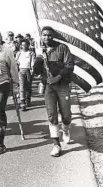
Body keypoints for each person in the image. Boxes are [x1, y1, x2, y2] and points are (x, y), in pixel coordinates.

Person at [33, 26, 74, 157]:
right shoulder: (39, 50)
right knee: (52, 115)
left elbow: (70, 65)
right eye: (44, 35)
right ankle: (56, 144)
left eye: (49, 35)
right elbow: (36, 72)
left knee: (66, 114)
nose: (47, 38)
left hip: (62, 85)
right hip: (49, 87)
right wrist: (38, 61)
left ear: (53, 36)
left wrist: (57, 77)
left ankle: (66, 129)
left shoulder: (62, 48)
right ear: (41, 36)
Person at [16, 39, 36, 111]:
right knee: (21, 86)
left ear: (28, 45)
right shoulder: (19, 53)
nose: (24, 46)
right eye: (23, 45)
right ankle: (22, 102)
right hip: (21, 71)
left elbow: (33, 62)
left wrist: (32, 70)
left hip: (28, 71)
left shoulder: (31, 53)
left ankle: (28, 99)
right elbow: (16, 61)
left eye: (26, 45)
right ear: (21, 46)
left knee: (28, 87)